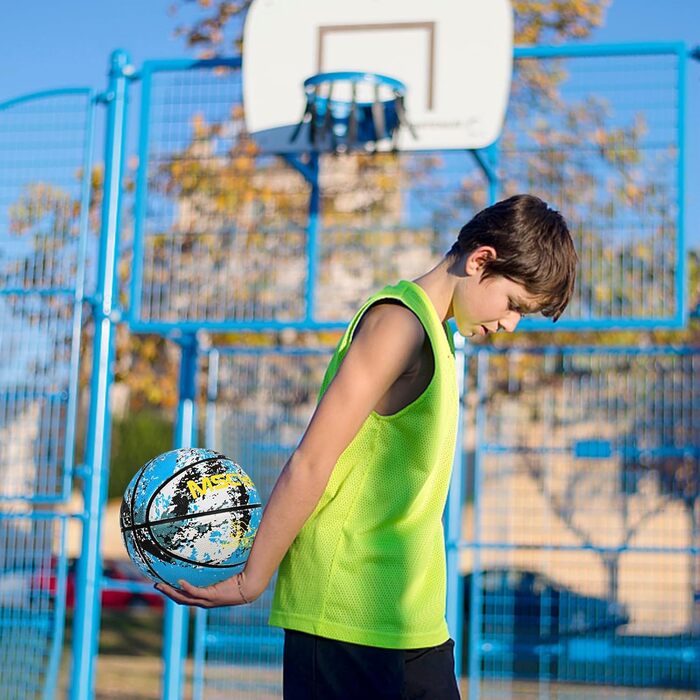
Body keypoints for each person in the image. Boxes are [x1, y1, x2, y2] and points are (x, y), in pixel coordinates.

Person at [156, 194, 578, 699]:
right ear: (480, 260)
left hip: (406, 615)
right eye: (514, 305)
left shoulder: (439, 339)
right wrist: (252, 578)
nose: (510, 325)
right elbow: (313, 459)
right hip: (346, 613)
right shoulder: (398, 326)